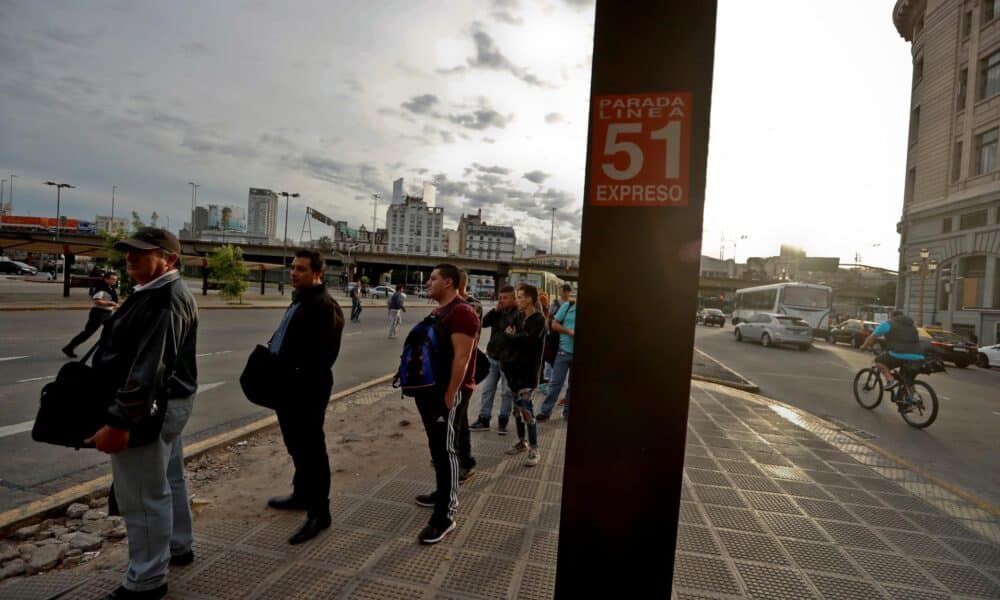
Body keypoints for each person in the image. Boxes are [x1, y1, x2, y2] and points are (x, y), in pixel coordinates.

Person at [85, 228, 197, 600]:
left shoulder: (164, 299)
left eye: (141, 252)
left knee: (142, 495)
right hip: (169, 404)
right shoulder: (156, 292)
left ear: (170, 259)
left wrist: (119, 423)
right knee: (170, 480)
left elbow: (149, 370)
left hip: (149, 410)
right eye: (128, 251)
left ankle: (147, 581)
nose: (130, 258)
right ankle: (179, 546)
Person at [266, 250, 345, 545]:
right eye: (293, 268)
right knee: (296, 446)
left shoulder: (324, 307)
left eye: (301, 269)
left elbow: (322, 358)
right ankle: (301, 494)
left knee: (312, 451)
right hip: (288, 388)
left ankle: (319, 513)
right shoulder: (300, 299)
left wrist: (294, 377)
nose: (294, 273)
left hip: (307, 390)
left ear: (317, 273)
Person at [413, 264, 479, 544]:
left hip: (447, 394)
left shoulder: (463, 312)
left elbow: (462, 358)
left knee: (446, 451)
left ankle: (445, 516)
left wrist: (451, 394)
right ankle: (441, 494)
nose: (429, 283)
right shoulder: (441, 310)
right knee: (437, 449)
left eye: (434, 278)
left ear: (449, 282)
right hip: (431, 393)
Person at [499, 283, 546, 467]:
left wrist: (512, 337)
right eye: (517, 297)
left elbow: (528, 341)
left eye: (520, 297)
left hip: (529, 372)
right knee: (517, 410)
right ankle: (521, 442)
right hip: (514, 370)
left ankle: (534, 449)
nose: (517, 300)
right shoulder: (518, 317)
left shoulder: (539, 320)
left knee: (527, 409)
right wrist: (512, 337)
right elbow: (507, 334)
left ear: (530, 299)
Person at [470, 285, 517, 434]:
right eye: (500, 297)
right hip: (493, 357)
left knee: (506, 392)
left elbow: (517, 333)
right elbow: (482, 323)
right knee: (487, 390)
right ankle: (484, 419)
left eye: (506, 298)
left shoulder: (518, 314)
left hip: (508, 361)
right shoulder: (498, 311)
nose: (502, 301)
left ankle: (503, 420)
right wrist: (495, 310)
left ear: (514, 299)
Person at [860, 310, 924, 397]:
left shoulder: (888, 324)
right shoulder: (912, 326)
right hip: (918, 356)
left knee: (878, 361)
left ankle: (891, 380)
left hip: (900, 354)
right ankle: (912, 401)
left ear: (891, 316)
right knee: (907, 379)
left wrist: (863, 347)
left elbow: (872, 337)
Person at [538, 291, 576, 422]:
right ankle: (545, 411)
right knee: (556, 383)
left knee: (573, 386)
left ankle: (567, 413)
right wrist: (569, 331)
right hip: (563, 351)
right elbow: (554, 324)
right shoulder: (568, 306)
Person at [62, 271, 120, 357]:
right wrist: (111, 303)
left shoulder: (110, 288)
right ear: (106, 279)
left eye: (116, 280)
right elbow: (97, 301)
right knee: (88, 332)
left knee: (111, 330)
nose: (114, 281)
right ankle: (69, 347)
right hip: (99, 313)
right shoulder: (101, 288)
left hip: (107, 313)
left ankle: (107, 350)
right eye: (112, 279)